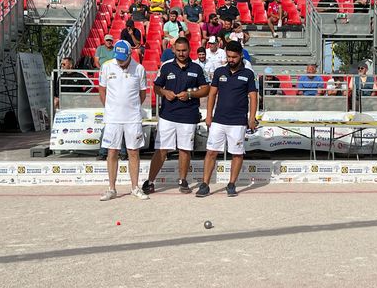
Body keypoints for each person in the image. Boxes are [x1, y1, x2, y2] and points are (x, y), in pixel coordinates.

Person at [142, 37, 210, 195]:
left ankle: (182, 180)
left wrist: (190, 94)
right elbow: (157, 86)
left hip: (188, 115)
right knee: (161, 149)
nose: (181, 53)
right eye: (178, 50)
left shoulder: (197, 68)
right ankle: (150, 181)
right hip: (167, 115)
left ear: (189, 50)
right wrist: (165, 92)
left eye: (184, 50)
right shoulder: (166, 67)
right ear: (173, 50)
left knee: (185, 149)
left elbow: (205, 89)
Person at [196, 40, 258, 198]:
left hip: (238, 122)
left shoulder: (248, 74)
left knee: (237, 154)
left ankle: (231, 184)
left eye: (234, 57)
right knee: (211, 152)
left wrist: (252, 118)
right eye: (229, 56)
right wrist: (208, 115)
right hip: (218, 120)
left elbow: (253, 97)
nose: (231, 60)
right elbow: (212, 94)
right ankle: (205, 185)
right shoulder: (219, 72)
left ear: (240, 56)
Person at [98, 40, 149, 201]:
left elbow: (142, 94)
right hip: (113, 118)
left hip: (132, 118)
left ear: (129, 55)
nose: (119, 61)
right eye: (117, 58)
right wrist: (111, 108)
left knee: (133, 152)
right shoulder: (106, 66)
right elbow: (102, 90)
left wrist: (132, 108)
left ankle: (135, 187)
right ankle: (111, 189)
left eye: (122, 58)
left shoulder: (139, 69)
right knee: (112, 152)